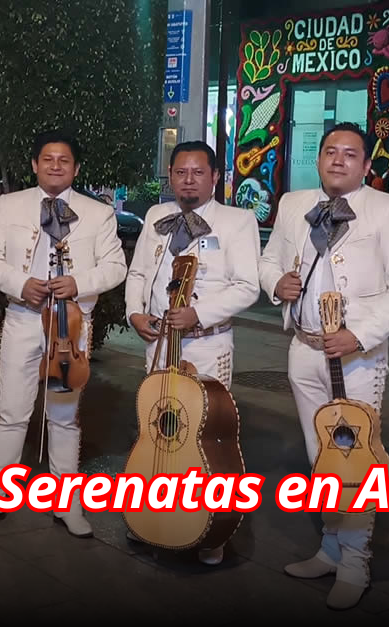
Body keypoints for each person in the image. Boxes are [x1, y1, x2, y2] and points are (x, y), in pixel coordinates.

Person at [258, 121, 389, 609]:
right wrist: (277, 285)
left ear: (367, 166)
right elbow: (269, 260)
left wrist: (361, 335)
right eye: (331, 151)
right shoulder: (292, 204)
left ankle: (356, 563)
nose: (338, 160)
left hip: (358, 357)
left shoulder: (388, 209)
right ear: (319, 158)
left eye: (351, 154)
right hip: (304, 349)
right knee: (318, 457)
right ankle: (330, 549)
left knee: (354, 460)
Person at [0, 130, 127, 536]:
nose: (56, 166)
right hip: (23, 318)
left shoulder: (98, 212)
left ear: (75, 168)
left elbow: (116, 267)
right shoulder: (9, 204)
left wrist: (80, 282)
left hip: (69, 327)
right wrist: (19, 284)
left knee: (64, 415)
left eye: (64, 160)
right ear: (35, 164)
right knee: (11, 412)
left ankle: (67, 504)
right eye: (48, 159)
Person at [123, 140, 260, 564]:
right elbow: (139, 271)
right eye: (180, 172)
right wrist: (134, 313)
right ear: (170, 175)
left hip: (209, 344)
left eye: (198, 172)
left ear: (215, 177)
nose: (188, 180)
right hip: (158, 343)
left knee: (206, 438)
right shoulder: (156, 217)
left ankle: (212, 532)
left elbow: (248, 286)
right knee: (158, 431)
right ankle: (154, 518)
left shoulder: (238, 221)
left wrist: (198, 314)